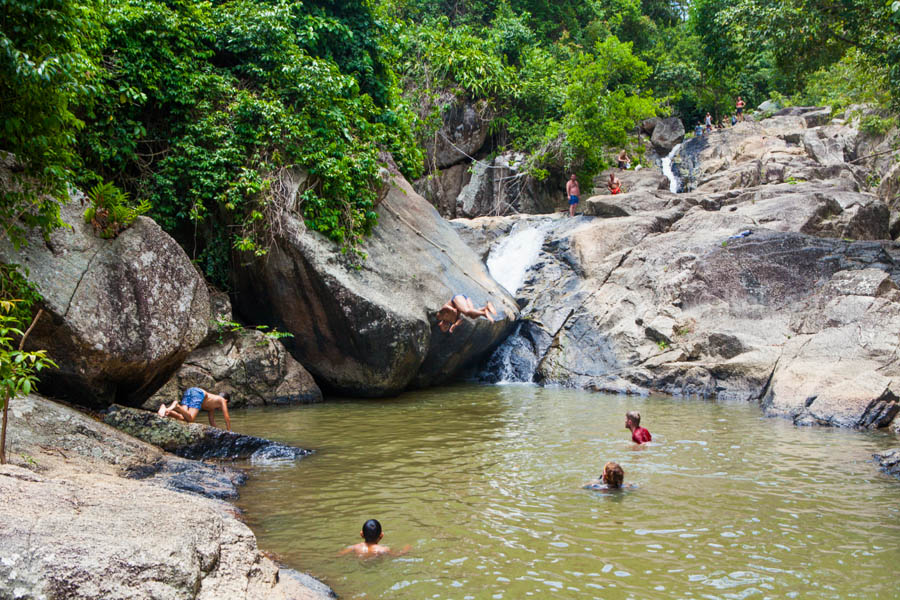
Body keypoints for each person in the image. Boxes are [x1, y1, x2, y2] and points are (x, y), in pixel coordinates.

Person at [158, 387, 232, 431]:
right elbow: (227, 417)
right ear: (226, 401)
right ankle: (176, 406)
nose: (220, 408)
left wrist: (218, 431)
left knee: (184, 418)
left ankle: (167, 410)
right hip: (198, 394)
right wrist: (229, 431)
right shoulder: (222, 400)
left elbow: (211, 421)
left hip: (190, 391)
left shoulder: (211, 406)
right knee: (191, 419)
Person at [339, 519, 410, 558]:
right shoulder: (383, 549)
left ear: (361, 534)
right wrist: (406, 550)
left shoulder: (355, 547)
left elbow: (339, 555)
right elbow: (396, 555)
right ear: (381, 535)